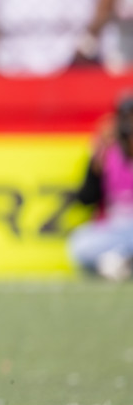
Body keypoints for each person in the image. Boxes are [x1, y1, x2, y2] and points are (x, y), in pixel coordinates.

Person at [70, 94, 133, 281]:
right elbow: (86, 198)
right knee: (79, 244)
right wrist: (95, 161)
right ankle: (120, 262)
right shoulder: (107, 152)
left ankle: (117, 263)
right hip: (116, 228)